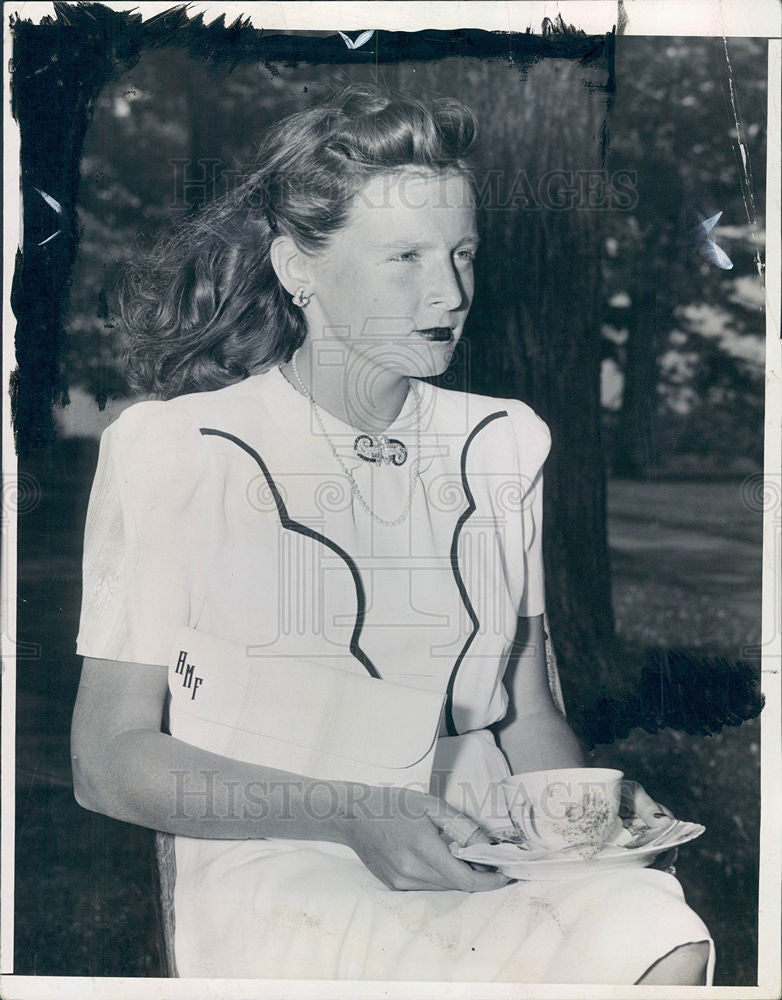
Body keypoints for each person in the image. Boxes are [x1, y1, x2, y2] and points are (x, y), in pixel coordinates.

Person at [70, 84, 714, 984]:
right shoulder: (179, 450)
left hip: (491, 843)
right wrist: (354, 813)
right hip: (288, 857)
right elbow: (107, 761)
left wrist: (581, 811)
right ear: (298, 267)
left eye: (462, 253)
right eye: (404, 257)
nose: (448, 291)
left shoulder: (502, 441)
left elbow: (525, 713)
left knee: (653, 931)